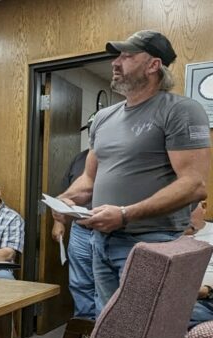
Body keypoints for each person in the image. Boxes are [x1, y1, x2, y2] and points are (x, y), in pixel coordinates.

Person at [56, 30, 211, 314]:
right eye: (117, 56)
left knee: (142, 330)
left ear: (153, 65)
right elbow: (89, 180)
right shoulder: (104, 118)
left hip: (151, 242)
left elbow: (194, 184)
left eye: (127, 56)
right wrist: (64, 200)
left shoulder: (182, 110)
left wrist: (125, 214)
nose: (116, 62)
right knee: (110, 323)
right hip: (100, 241)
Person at [52, 148, 97, 320]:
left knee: (105, 284)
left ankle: (104, 332)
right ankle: (85, 325)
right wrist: (58, 222)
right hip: (80, 230)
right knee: (80, 282)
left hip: (109, 230)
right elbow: (66, 192)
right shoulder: (79, 158)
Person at [185, 201, 213, 329]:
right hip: (174, 298)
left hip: (207, 299)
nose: (183, 215)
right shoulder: (162, 237)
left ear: (204, 207)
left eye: (189, 208)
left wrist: (207, 289)